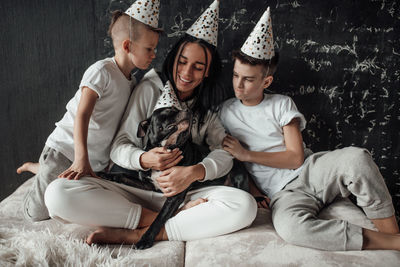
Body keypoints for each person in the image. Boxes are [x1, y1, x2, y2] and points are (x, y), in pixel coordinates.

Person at [44, 0, 257, 245]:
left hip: (185, 191)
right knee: (58, 194)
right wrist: (144, 159)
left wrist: (193, 172)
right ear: (173, 58)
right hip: (136, 190)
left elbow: (225, 152)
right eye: (182, 62)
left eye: (198, 67)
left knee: (245, 206)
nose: (187, 73)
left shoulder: (207, 107)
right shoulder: (150, 88)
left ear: (207, 72)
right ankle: (158, 219)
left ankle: (145, 233)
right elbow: (119, 146)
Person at [220, 7, 400, 251]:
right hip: (283, 194)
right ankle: (390, 243)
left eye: (248, 79)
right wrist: (254, 191)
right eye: (235, 75)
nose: (238, 85)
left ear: (266, 81)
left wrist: (247, 154)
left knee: (357, 159)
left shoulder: (281, 103)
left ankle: (393, 236)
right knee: (290, 228)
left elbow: (295, 158)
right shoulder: (225, 112)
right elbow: (234, 163)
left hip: (312, 171)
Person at [19, 0, 161, 222]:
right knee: (37, 214)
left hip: (92, 161)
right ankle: (40, 168)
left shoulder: (131, 82)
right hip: (66, 151)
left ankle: (42, 169)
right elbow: (82, 115)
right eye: (149, 49)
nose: (154, 54)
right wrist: (81, 158)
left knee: (74, 200)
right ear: (127, 46)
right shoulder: (102, 71)